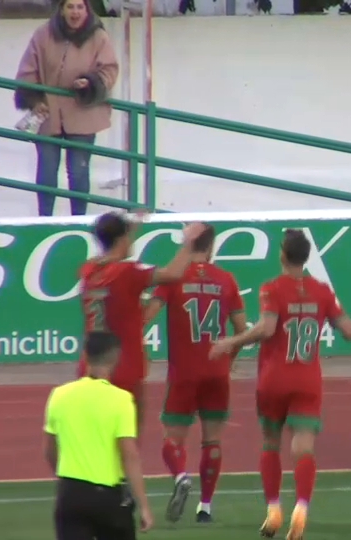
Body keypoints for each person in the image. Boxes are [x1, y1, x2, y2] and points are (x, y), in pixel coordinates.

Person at [211, 229, 351, 540]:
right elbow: (350, 331)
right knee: (303, 447)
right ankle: (302, 507)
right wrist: (335, 316)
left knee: (270, 443)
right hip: (307, 378)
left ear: (282, 254)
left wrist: (232, 341)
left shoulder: (272, 289)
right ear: (305, 257)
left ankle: (274, 508)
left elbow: (266, 328)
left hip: (274, 378)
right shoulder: (321, 291)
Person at [141, 223, 248, 524]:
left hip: (184, 373)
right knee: (212, 441)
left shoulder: (174, 278)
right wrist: (230, 359)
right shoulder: (226, 280)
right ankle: (206, 507)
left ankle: (180, 477)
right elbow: (241, 329)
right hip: (216, 371)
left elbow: (146, 317)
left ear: (189, 244)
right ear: (212, 246)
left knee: (172, 438)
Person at [78, 213, 205, 427]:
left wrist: (130, 226)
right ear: (123, 239)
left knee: (96, 432)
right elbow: (173, 273)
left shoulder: (88, 270)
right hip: (123, 365)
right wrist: (189, 241)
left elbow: (111, 249)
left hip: (90, 364)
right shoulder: (129, 272)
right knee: (127, 435)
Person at [44, 331, 153, 539]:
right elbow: (129, 455)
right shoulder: (121, 400)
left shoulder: (59, 395)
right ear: (116, 357)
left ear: (85, 355)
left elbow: (49, 449)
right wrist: (144, 506)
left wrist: (66, 479)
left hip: (70, 494)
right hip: (108, 497)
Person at [14, 0, 118, 217]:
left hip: (84, 113)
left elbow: (109, 70)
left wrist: (90, 82)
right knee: (46, 172)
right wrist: (34, 99)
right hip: (48, 113)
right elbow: (27, 70)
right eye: (70, 6)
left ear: (87, 9)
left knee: (78, 172)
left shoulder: (99, 37)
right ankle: (44, 220)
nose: (75, 12)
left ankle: (78, 221)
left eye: (80, 7)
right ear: (61, 9)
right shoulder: (43, 34)